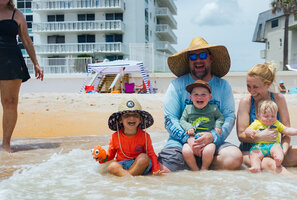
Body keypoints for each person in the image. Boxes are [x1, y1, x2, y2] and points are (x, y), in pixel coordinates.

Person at [158, 36, 243, 172]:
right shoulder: (177, 84)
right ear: (188, 61)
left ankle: (200, 168)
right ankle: (191, 165)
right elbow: (170, 119)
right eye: (193, 57)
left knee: (234, 159)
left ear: (211, 58)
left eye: (203, 55)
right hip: (181, 143)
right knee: (162, 171)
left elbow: (229, 117)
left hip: (212, 143)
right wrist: (188, 139)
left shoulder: (223, 86)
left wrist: (213, 137)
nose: (198, 60)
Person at [0, 0, 43, 152]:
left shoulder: (17, 14)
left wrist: (35, 63)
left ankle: (5, 143)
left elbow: (26, 40)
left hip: (11, 60)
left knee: (10, 102)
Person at [93, 98, 163, 177]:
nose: (131, 118)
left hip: (139, 165)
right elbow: (110, 155)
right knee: (112, 166)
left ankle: (126, 178)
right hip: (123, 165)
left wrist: (156, 169)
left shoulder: (145, 136)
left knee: (144, 158)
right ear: (120, 120)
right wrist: (102, 157)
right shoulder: (115, 136)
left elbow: (151, 154)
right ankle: (130, 177)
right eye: (127, 115)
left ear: (140, 119)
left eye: (135, 115)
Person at [245, 100, 297, 173]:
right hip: (259, 146)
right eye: (266, 116)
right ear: (258, 116)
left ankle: (278, 160)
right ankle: (255, 167)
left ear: (276, 115)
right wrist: (250, 132)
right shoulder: (257, 123)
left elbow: (286, 130)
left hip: (273, 145)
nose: (270, 118)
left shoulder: (276, 123)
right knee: (253, 154)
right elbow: (247, 130)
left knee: (278, 149)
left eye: (273, 116)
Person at [180, 80, 225, 171]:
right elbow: (182, 120)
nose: (199, 97)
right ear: (191, 98)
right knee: (185, 150)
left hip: (207, 141)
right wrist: (188, 127)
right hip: (192, 139)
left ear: (210, 97)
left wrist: (218, 125)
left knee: (209, 150)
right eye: (196, 94)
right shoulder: (188, 109)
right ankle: (195, 169)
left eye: (203, 94)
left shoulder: (213, 108)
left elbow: (220, 117)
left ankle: (204, 168)